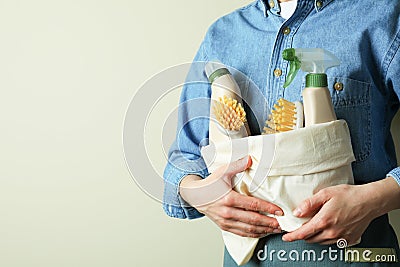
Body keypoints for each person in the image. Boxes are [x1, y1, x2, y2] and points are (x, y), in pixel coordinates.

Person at [163, 0, 400, 266]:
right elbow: (185, 157)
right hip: (245, 258)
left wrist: (374, 200)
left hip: (356, 256)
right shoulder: (222, 35)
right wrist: (204, 197)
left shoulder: (384, 17)